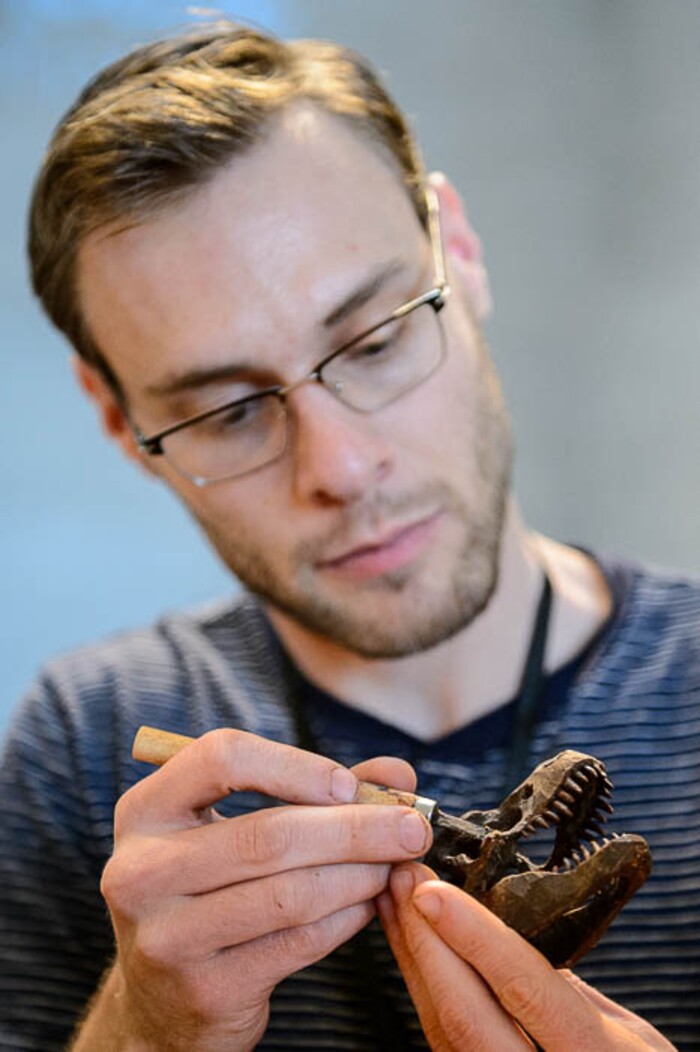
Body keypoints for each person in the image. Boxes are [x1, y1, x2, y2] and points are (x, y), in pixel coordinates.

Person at [1, 18, 697, 1051]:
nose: (337, 467)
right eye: (226, 412)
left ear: (455, 249)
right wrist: (143, 1029)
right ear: (118, 418)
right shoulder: (82, 746)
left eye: (372, 340)